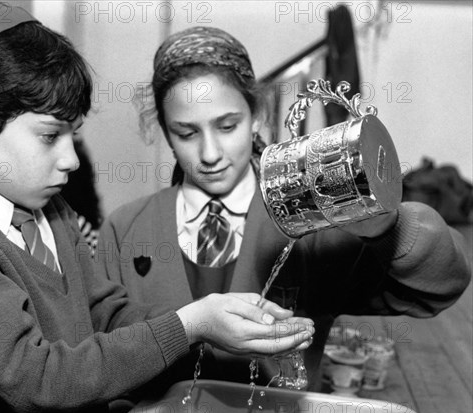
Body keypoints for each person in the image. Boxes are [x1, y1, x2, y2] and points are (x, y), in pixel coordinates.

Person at [0, 5, 315, 413]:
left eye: (73, 135)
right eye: (50, 136)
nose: (71, 160)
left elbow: (105, 312)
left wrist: (218, 323)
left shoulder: (49, 209)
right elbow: (37, 379)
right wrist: (189, 325)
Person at [96, 26, 471, 394]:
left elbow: (441, 286)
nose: (210, 154)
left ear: (257, 114)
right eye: (187, 133)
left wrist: (390, 229)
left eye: (227, 126)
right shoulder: (126, 229)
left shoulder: (311, 220)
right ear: (164, 131)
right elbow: (102, 351)